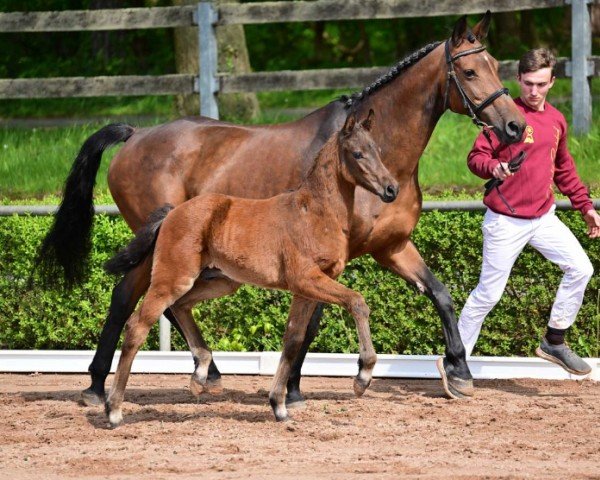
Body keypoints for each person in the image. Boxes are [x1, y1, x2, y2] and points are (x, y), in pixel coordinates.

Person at [456, 48, 600, 377]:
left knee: (581, 268)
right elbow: (475, 158)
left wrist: (586, 208)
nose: (534, 91)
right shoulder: (504, 115)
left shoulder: (556, 120)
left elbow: (564, 170)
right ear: (518, 79)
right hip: (505, 222)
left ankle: (554, 340)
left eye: (541, 84)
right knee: (488, 294)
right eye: (528, 83)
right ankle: (456, 358)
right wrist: (495, 167)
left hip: (543, 218)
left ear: (551, 83)